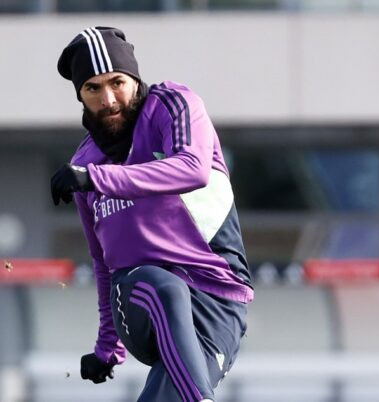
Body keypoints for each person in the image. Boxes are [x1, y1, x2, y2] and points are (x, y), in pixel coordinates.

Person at [51, 26, 253, 402]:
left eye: (117, 82)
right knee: (162, 286)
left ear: (135, 78)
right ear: (80, 95)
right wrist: (107, 348)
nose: (108, 99)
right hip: (140, 299)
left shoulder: (172, 105)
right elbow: (102, 263)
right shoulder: (84, 163)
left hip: (218, 305)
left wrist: (98, 178)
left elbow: (192, 168)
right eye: (92, 88)